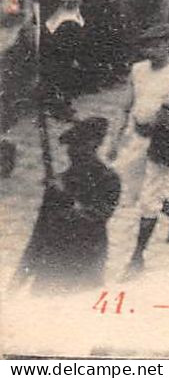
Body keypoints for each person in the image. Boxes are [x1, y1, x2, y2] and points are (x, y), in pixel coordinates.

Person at [110, 22, 169, 277]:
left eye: (156, 44)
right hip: (136, 138)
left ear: (168, 45)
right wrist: (113, 142)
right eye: (147, 45)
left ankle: (137, 259)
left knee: (149, 199)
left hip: (162, 142)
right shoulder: (138, 70)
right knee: (131, 189)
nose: (151, 50)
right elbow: (125, 107)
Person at [10, 116, 121, 296]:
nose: (73, 153)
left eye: (79, 148)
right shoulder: (60, 181)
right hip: (52, 263)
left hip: (84, 263)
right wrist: (19, 278)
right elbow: (40, 230)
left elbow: (98, 216)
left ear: (93, 146)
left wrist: (66, 195)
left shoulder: (108, 180)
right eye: (71, 148)